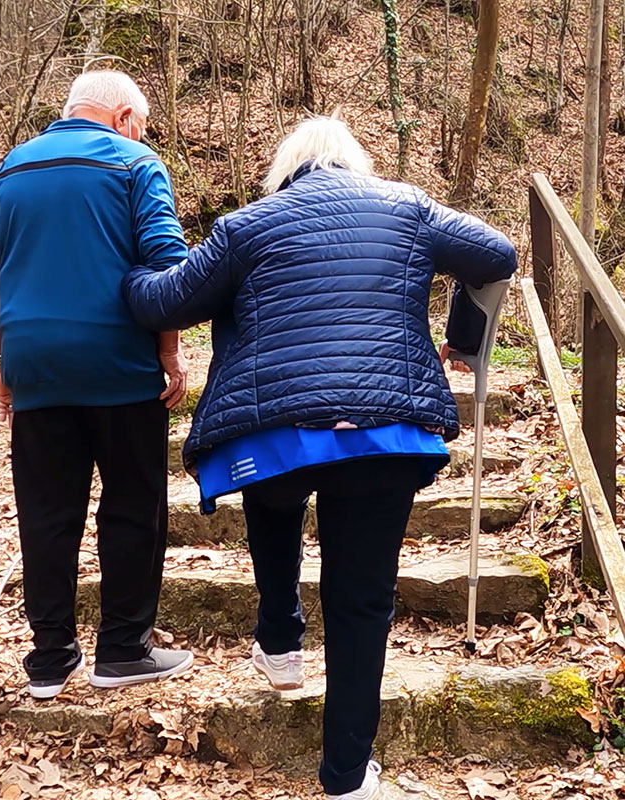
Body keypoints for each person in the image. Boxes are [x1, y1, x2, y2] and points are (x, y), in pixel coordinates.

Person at [124, 118, 517, 800]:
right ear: (355, 162)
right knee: (362, 600)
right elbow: (497, 253)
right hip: (385, 432)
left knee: (272, 493)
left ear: (287, 167)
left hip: (276, 431)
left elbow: (167, 300)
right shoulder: (409, 206)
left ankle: (279, 639)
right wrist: (460, 334)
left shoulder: (247, 225)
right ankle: (346, 776)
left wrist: (126, 270)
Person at [0, 70, 194, 699]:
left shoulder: (8, 170)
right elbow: (166, 265)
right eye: (141, 124)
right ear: (123, 118)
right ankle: (122, 650)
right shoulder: (136, 164)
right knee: (133, 506)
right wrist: (169, 354)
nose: (143, 134)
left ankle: (50, 658)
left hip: (35, 367)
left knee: (46, 513)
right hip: (118, 365)